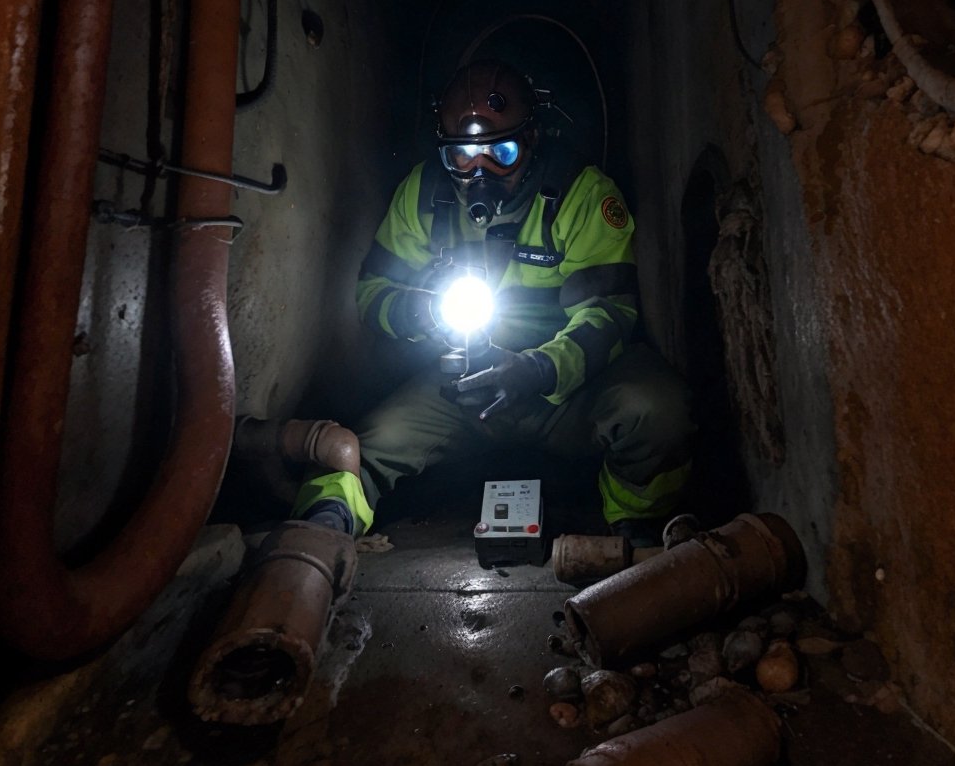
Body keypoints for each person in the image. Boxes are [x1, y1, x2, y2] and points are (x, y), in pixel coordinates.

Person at [292, 60, 693, 542]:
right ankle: (319, 531)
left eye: (500, 152)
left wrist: (537, 370)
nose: (478, 171)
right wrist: (420, 312)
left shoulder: (580, 194)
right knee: (360, 445)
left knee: (657, 413)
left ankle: (634, 523)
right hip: (464, 386)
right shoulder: (423, 194)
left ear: (532, 139)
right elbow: (372, 290)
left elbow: (609, 314)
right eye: (462, 156)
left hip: (564, 389)